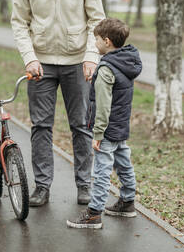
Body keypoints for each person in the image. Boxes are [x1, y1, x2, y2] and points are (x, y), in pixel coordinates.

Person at [10, 0, 105, 206]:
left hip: (77, 62)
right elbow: (19, 22)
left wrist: (91, 56)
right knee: (40, 126)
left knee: (81, 126)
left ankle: (84, 186)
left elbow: (96, 18)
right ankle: (42, 187)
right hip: (40, 63)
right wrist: (30, 57)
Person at [67, 18, 142, 229]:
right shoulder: (126, 62)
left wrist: (98, 134)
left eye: (96, 40)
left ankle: (94, 213)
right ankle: (127, 202)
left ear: (107, 41)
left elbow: (103, 106)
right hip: (120, 125)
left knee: (101, 170)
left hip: (107, 129)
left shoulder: (107, 69)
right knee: (124, 163)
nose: (95, 44)